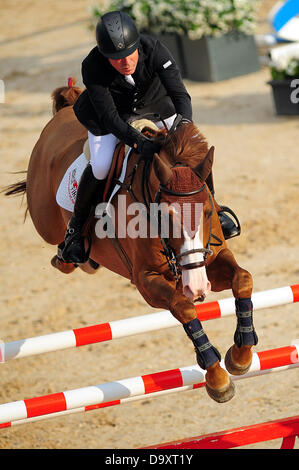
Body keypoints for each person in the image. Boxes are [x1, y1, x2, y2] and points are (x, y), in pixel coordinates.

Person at [61, 10, 239, 264]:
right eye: (116, 58)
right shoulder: (92, 65)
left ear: (137, 45)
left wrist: (184, 125)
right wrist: (137, 142)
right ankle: (76, 230)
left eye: (129, 54)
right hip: (110, 120)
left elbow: (180, 95)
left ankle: (216, 210)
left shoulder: (154, 48)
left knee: (194, 152)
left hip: (157, 107)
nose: (125, 62)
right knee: (100, 166)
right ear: (105, 56)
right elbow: (110, 117)